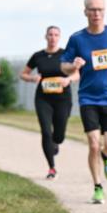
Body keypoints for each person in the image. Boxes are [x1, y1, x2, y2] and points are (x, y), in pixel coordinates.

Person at [61, 0, 107, 204]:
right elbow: (63, 66)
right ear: (85, 12)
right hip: (88, 98)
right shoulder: (77, 38)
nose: (96, 13)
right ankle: (98, 187)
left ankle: (106, 156)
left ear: (105, 11)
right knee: (93, 144)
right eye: (92, 9)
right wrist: (73, 66)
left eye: (100, 9)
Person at [21, 26, 79, 179]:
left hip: (63, 99)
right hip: (43, 98)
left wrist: (68, 79)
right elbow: (23, 74)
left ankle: (56, 142)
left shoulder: (66, 55)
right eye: (50, 34)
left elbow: (77, 74)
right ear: (45, 36)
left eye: (56, 35)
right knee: (46, 132)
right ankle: (52, 168)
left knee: (59, 136)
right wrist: (32, 78)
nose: (53, 37)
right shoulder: (38, 56)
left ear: (59, 37)